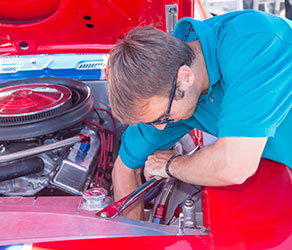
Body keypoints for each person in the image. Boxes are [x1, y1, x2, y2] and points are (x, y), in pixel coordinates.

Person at [106, 10, 292, 220]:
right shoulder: (170, 88)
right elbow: (124, 168)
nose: (160, 127)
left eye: (161, 118)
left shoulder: (256, 42)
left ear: (185, 77)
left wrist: (171, 165)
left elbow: (234, 166)